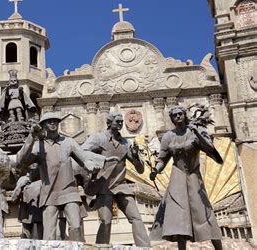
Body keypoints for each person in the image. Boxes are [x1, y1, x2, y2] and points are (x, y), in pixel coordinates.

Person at [16, 112, 114, 241]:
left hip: (69, 190)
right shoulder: (38, 145)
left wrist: (90, 164)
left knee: (76, 225)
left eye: (56, 121)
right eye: (50, 121)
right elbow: (21, 161)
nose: (53, 123)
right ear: (44, 125)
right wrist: (31, 137)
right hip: (49, 193)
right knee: (49, 232)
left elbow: (83, 157)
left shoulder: (68, 142)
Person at [149, 105, 223, 250]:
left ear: (185, 115)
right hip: (177, 176)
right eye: (174, 115)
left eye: (180, 113)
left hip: (194, 175)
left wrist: (197, 133)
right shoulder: (168, 137)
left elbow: (210, 149)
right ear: (171, 118)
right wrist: (155, 171)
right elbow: (162, 159)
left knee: (204, 212)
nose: (177, 116)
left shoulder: (196, 131)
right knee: (179, 214)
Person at [81, 112, 151, 247]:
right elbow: (81, 152)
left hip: (121, 185)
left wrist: (136, 156)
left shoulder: (125, 143)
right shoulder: (98, 138)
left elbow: (140, 170)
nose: (120, 124)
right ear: (109, 123)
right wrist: (101, 160)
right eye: (117, 121)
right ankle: (101, 247)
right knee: (106, 221)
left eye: (121, 122)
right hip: (103, 186)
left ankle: (145, 247)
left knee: (136, 217)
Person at [11, 163, 43, 239]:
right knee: (25, 240)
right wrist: (20, 187)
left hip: (39, 216)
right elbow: (13, 198)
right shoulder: (22, 179)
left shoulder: (43, 180)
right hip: (25, 215)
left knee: (37, 240)